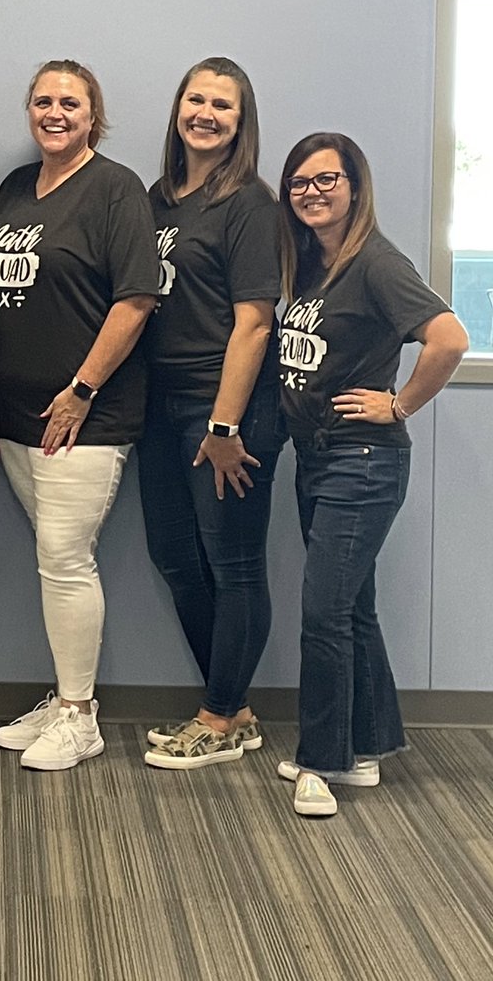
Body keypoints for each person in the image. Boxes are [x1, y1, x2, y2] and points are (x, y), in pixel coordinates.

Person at [0, 59, 157, 770]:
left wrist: (81, 388)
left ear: (92, 114)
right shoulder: (17, 187)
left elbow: (135, 299)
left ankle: (81, 714)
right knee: (52, 559)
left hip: (84, 418)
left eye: (70, 102)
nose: (55, 112)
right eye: (43, 100)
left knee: (65, 557)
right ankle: (63, 694)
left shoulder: (116, 189)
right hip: (11, 416)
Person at [276, 132, 466, 816]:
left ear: (356, 187)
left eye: (328, 180)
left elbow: (450, 337)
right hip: (320, 457)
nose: (313, 192)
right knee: (351, 607)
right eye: (300, 182)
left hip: (363, 463)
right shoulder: (315, 264)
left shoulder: (377, 263)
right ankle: (367, 744)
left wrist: (400, 403)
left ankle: (320, 760)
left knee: (323, 610)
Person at [137, 57, 287, 770]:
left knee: (234, 563)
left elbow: (255, 322)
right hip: (160, 408)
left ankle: (218, 714)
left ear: (240, 120)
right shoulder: (157, 198)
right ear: (178, 108)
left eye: (222, 104)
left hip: (224, 412)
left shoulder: (251, 204)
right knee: (174, 556)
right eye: (195, 98)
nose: (205, 112)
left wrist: (225, 427)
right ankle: (235, 706)